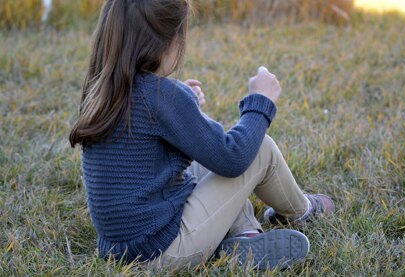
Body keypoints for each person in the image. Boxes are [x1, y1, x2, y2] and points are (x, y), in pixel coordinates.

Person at [69, 0, 335, 271]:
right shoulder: (161, 96)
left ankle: (244, 236)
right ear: (170, 39)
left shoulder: (104, 90)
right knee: (259, 151)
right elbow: (231, 158)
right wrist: (260, 101)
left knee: (202, 158)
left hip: (120, 249)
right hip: (161, 251)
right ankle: (300, 211)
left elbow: (146, 143)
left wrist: (182, 106)